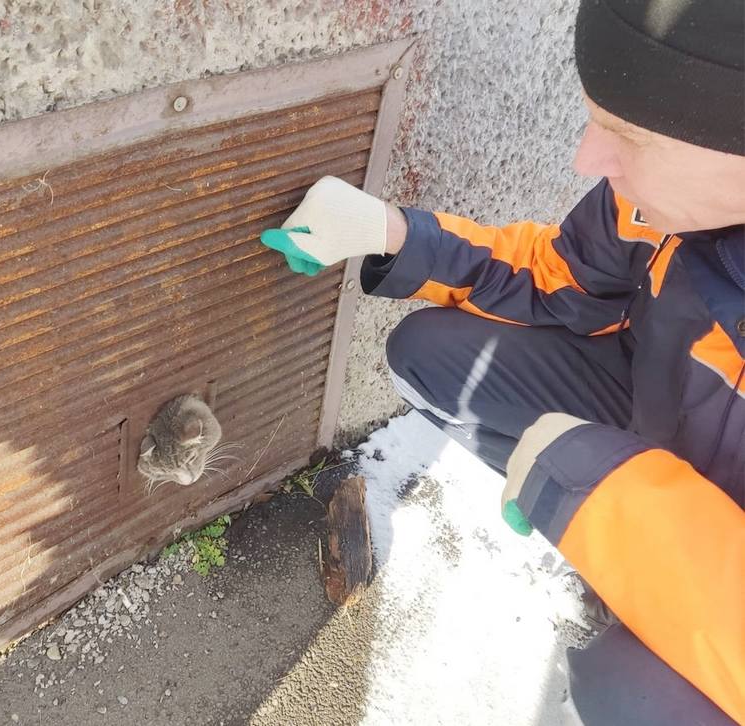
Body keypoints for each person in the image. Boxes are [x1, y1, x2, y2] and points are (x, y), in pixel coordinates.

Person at [259, 0, 744, 723]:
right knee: (430, 354)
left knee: (635, 693)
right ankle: (612, 553)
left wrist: (599, 492)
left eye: (629, 135)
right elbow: (561, 275)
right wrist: (394, 233)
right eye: (596, 118)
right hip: (654, 417)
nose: (589, 158)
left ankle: (624, 594)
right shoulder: (663, 200)